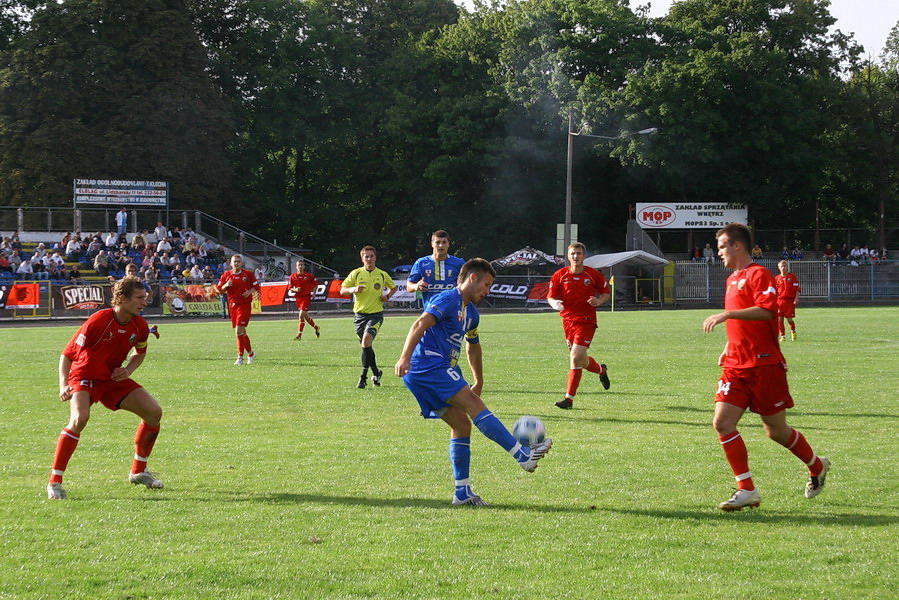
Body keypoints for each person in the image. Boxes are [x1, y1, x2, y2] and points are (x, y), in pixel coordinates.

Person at [395, 258, 553, 506]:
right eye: (486, 284)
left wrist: (478, 379)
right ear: (472, 278)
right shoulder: (447, 299)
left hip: (431, 370)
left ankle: (462, 493)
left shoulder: (472, 314)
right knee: (472, 403)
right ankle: (522, 454)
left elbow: (473, 347)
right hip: (427, 365)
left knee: (461, 425)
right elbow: (420, 323)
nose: (487, 291)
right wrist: (404, 357)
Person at [702, 222, 829, 511]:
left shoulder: (758, 274)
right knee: (722, 423)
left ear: (737, 246)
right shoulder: (732, 279)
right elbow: (740, 323)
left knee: (775, 430)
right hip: (736, 365)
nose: (719, 252)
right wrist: (727, 345)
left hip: (764, 364)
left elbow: (767, 311)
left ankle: (817, 465)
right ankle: (746, 489)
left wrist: (727, 314)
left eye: (722, 246)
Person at [46, 276, 164, 500]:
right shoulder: (99, 320)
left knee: (153, 412)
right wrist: (63, 384)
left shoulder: (139, 325)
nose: (144, 302)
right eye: (139, 298)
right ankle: (55, 482)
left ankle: (138, 471)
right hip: (84, 376)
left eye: (145, 298)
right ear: (122, 298)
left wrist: (127, 370)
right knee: (79, 419)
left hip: (111, 379)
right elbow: (68, 354)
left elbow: (140, 353)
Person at [547, 242, 611, 410]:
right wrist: (556, 304)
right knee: (581, 361)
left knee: (575, 357)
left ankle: (569, 399)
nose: (576, 256)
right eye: (573, 253)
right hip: (568, 321)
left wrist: (599, 301)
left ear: (584, 256)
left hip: (587, 320)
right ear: (568, 256)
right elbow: (550, 297)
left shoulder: (592, 275)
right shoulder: (560, 275)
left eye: (579, 253)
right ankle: (601, 371)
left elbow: (606, 292)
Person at [340, 245, 397, 388]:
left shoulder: (382, 274)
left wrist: (387, 296)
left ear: (375, 258)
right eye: (366, 256)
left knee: (366, 341)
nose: (369, 259)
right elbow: (342, 290)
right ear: (362, 258)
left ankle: (363, 377)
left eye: (372, 256)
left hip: (376, 315)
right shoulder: (356, 274)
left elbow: (393, 287)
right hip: (359, 316)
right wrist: (353, 289)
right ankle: (377, 372)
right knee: (366, 346)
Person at [216, 255, 260, 365]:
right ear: (230, 263)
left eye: (238, 261)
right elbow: (219, 291)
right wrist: (226, 285)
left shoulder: (248, 274)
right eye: (234, 261)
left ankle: (240, 357)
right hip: (232, 306)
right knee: (242, 333)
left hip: (244, 305)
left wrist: (249, 292)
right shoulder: (226, 275)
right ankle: (251, 354)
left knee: (238, 331)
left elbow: (256, 287)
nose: (236, 263)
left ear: (242, 263)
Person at [406, 230, 466, 307]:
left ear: (448, 244)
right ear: (432, 244)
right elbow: (408, 286)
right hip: (431, 311)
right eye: (438, 242)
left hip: (453, 310)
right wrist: (416, 286)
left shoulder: (459, 263)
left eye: (444, 242)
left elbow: (467, 285)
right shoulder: (421, 263)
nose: (441, 245)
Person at [288, 258, 320, 340]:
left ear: (304, 266)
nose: (300, 266)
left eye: (302, 265)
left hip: (306, 297)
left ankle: (299, 335)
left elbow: (316, 284)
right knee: (305, 316)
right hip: (298, 298)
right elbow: (290, 288)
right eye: (299, 265)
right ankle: (316, 327)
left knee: (301, 315)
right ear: (296, 266)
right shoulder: (293, 276)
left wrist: (314, 293)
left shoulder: (309, 276)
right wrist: (295, 290)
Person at [775, 260, 800, 341]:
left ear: (787, 267)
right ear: (779, 268)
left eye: (785, 266)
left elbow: (797, 289)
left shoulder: (792, 277)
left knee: (789, 319)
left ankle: (793, 331)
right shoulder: (776, 278)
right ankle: (783, 336)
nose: (783, 268)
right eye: (781, 266)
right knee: (779, 319)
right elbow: (774, 291)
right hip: (779, 301)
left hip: (789, 301)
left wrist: (796, 298)